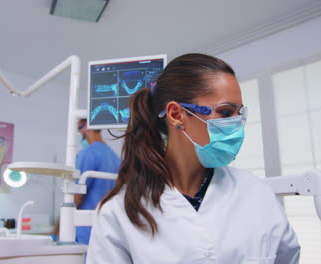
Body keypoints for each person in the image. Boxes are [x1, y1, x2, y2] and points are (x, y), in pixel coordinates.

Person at [87, 53, 300, 263]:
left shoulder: (255, 193)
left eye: (239, 114)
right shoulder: (118, 213)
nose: (237, 125)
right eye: (225, 113)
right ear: (177, 115)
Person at [74, 118, 120, 245]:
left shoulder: (88, 153)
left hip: (86, 226)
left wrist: (64, 219)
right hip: (107, 224)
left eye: (79, 129)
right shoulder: (115, 157)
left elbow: (77, 195)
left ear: (85, 128)